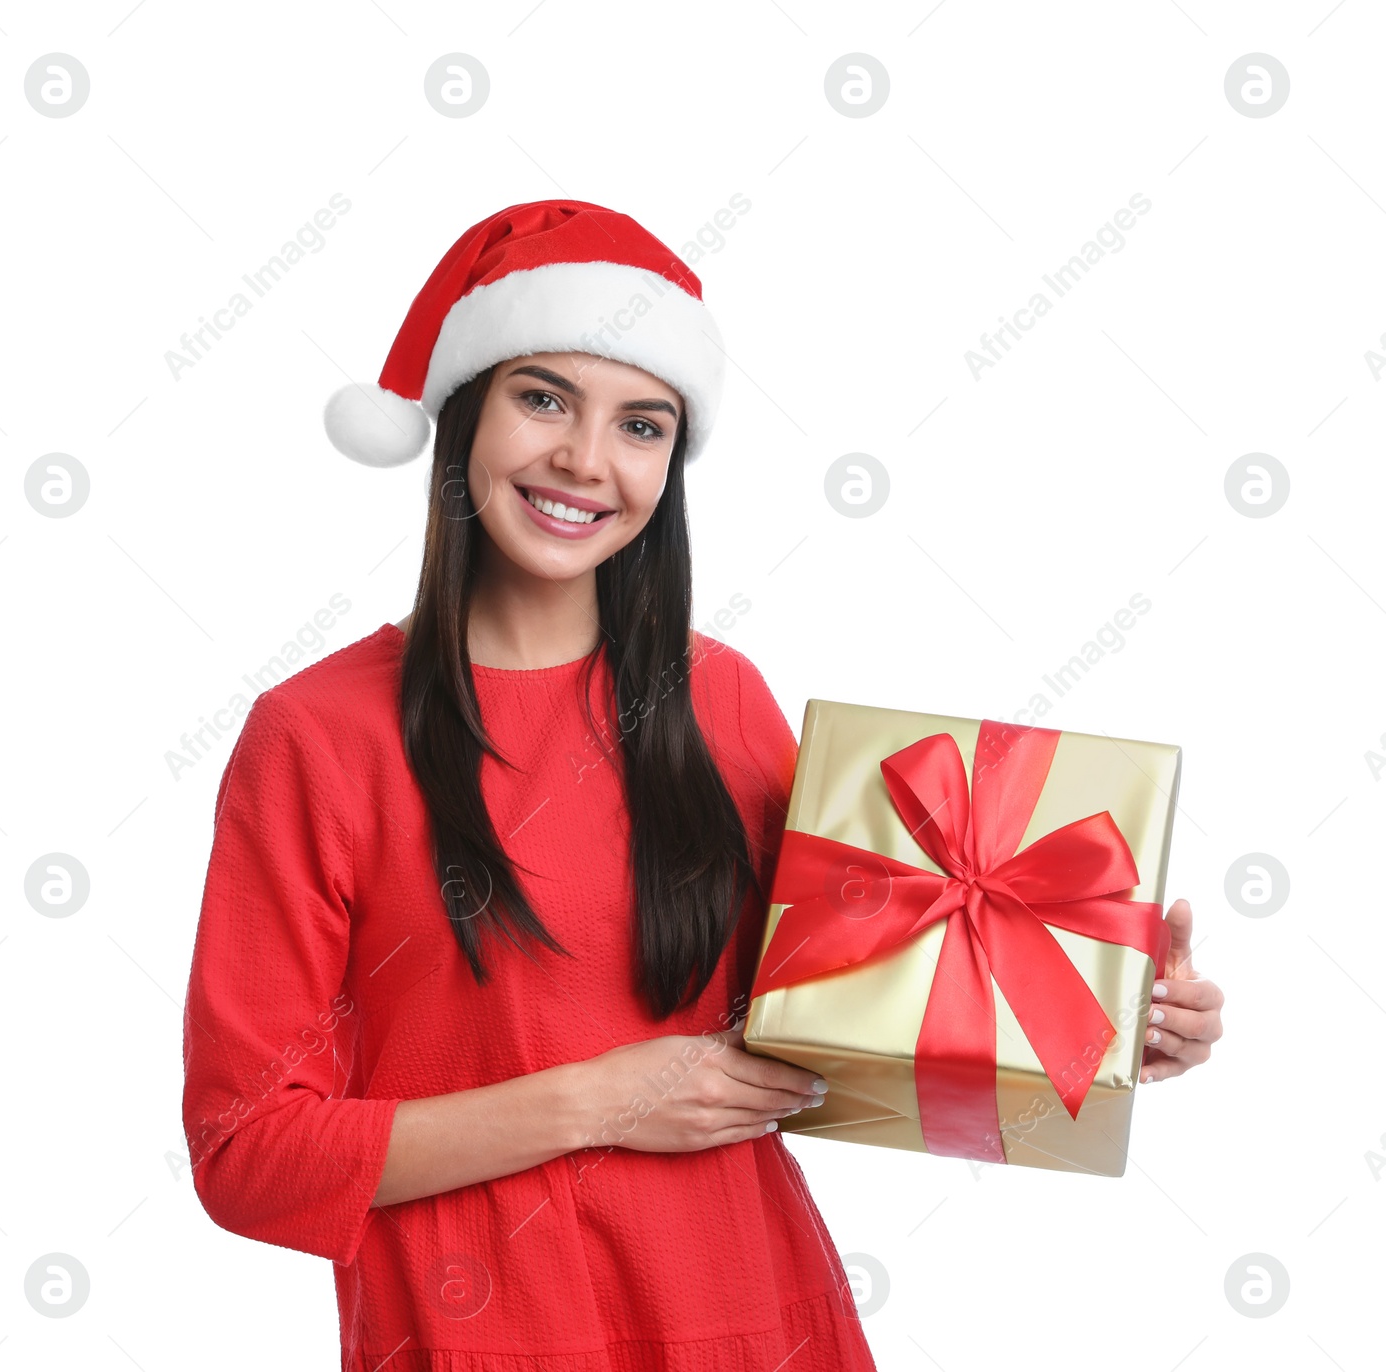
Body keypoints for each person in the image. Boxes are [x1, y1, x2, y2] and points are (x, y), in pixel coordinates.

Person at [180, 200, 1223, 1371]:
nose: (585, 459)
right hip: (488, 1336)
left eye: (641, 423)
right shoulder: (315, 735)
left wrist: (1099, 1009)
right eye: (541, 398)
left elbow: (849, 1028)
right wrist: (596, 1101)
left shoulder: (717, 698)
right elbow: (248, 1155)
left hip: (754, 1312)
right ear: (462, 412)